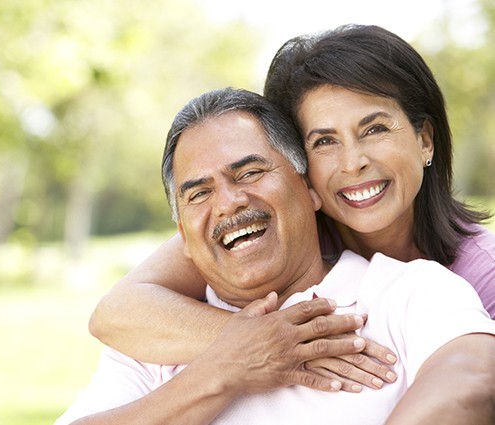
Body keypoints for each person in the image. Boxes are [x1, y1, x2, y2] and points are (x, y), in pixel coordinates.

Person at [55, 88, 495, 425]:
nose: (228, 204)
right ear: (183, 237)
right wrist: (222, 370)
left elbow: (475, 382)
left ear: (309, 189)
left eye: (249, 172)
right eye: (200, 193)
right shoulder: (154, 341)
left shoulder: (410, 292)